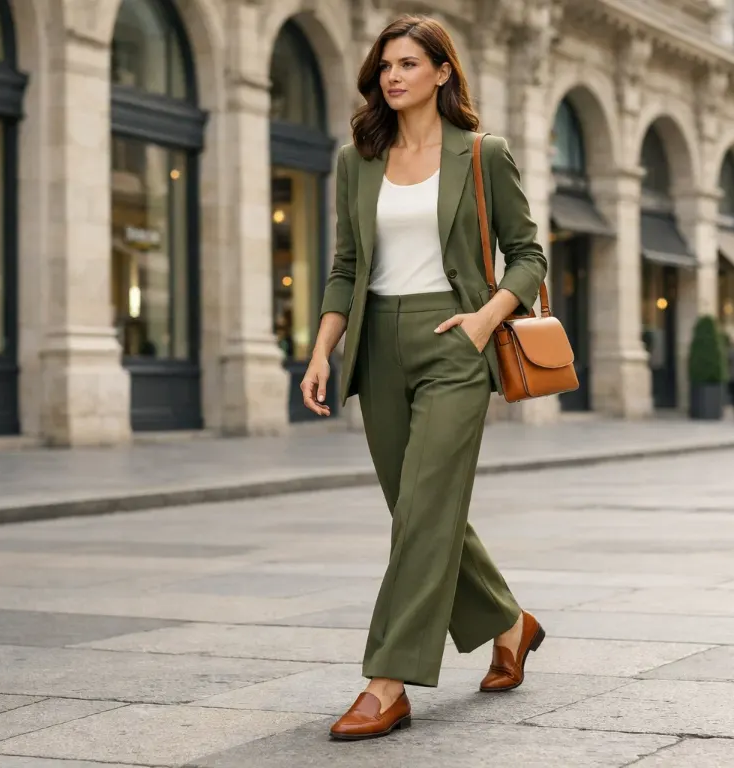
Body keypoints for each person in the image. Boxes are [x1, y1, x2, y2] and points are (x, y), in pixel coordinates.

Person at [299, 15, 548, 741]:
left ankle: (387, 682)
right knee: (418, 509)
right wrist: (322, 350)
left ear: (443, 72)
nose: (393, 76)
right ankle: (510, 623)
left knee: (423, 510)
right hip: (377, 345)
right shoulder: (357, 160)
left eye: (408, 63)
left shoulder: (483, 154)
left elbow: (528, 256)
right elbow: (346, 266)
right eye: (385, 66)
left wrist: (483, 321)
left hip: (455, 343)